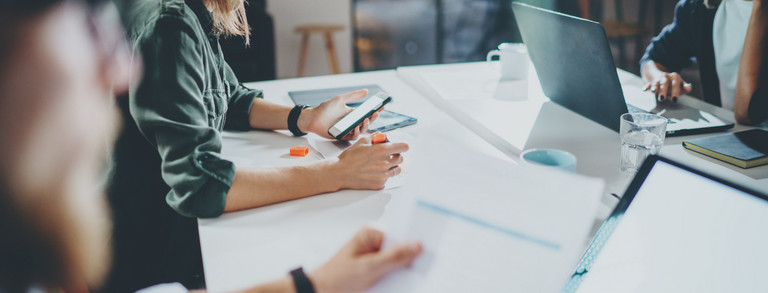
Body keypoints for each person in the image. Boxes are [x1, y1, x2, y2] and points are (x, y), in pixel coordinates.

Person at [0, 0, 422, 292]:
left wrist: (303, 118)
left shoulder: (187, 13)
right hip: (150, 250)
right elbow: (201, 183)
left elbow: (228, 96)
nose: (119, 70)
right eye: (86, 22)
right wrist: (337, 173)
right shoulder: (169, 23)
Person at [640, 0, 768, 125]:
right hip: (726, 132)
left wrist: (760, 6)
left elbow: (747, 113)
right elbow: (655, 58)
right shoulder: (699, 7)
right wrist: (660, 78)